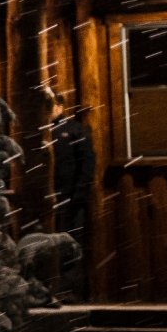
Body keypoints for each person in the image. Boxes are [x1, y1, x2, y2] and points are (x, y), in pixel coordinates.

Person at [48, 92, 95, 299]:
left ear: (60, 106)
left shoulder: (74, 130)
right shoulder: (40, 132)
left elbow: (87, 161)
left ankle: (68, 289)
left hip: (70, 197)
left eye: (51, 106)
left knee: (70, 241)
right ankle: (48, 287)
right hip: (49, 198)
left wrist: (79, 191)